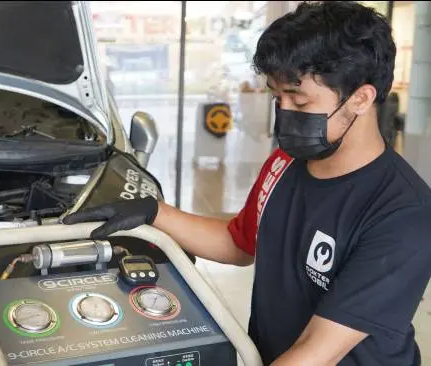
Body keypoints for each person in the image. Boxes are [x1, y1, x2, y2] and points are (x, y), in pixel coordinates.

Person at [63, 2, 431, 365]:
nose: (284, 114)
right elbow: (239, 243)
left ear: (361, 99)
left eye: (300, 102)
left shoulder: (403, 216)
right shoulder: (286, 163)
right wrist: (153, 214)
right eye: (277, 97)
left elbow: (314, 354)